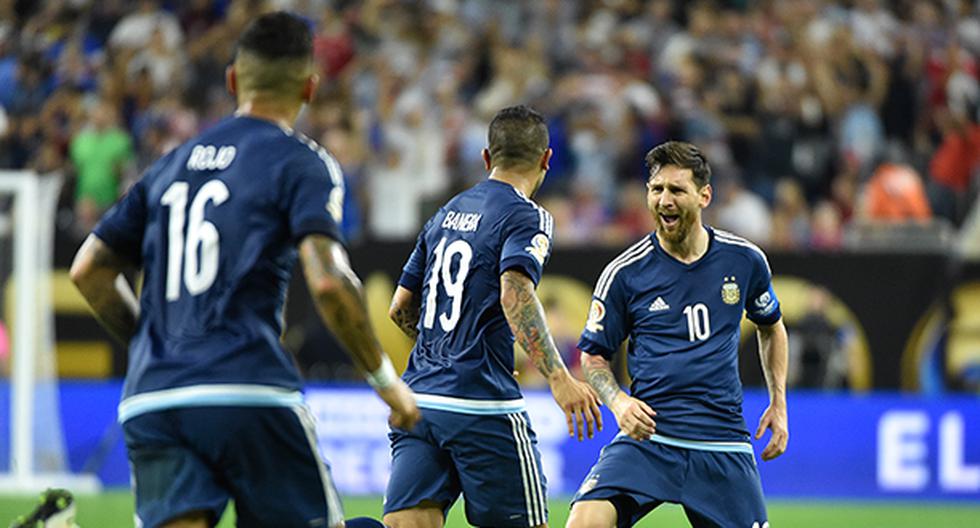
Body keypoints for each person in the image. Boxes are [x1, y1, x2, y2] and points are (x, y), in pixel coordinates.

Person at [69, 12, 419, 528]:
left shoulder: (167, 165)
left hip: (154, 397)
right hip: (248, 390)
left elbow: (88, 271)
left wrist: (153, 343)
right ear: (309, 87)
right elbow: (327, 279)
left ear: (233, 79)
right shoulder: (302, 162)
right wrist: (387, 382)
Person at [384, 104, 602, 528]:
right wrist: (559, 378)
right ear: (546, 159)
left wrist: (441, 351)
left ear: (487, 157)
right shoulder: (527, 215)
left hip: (420, 401)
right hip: (480, 405)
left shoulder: (445, 214)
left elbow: (399, 307)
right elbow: (515, 291)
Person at [566, 141, 789, 528]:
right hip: (650, 437)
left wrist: (779, 402)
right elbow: (594, 356)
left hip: (722, 440)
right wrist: (618, 403)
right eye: (656, 190)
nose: (664, 200)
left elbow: (771, 327)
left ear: (704, 196)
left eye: (676, 190)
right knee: (585, 522)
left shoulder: (744, 260)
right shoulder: (625, 273)